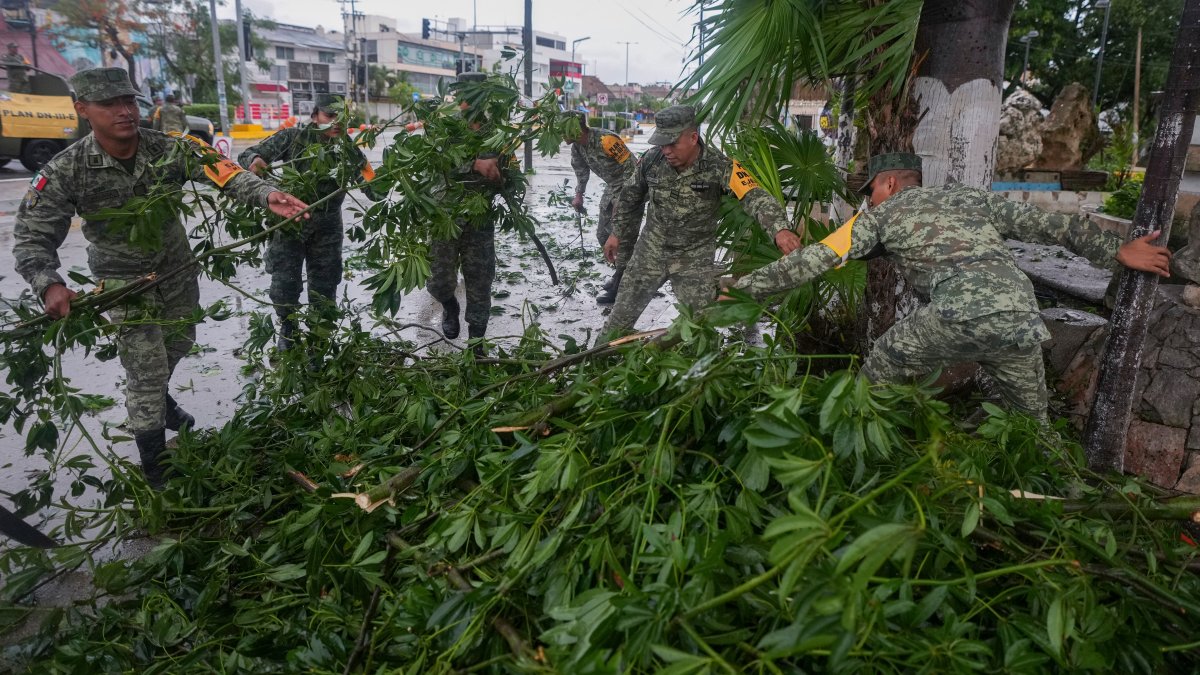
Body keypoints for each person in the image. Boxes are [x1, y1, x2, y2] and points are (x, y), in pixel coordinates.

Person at [11, 67, 310, 487]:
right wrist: (49, 283)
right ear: (82, 109)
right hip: (122, 286)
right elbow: (31, 236)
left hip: (176, 270)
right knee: (145, 369)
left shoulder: (167, 148)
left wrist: (266, 195)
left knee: (180, 339)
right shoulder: (66, 169)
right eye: (109, 104)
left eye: (128, 101)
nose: (124, 111)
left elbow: (221, 170)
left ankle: (162, 400)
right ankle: (155, 465)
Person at [724, 152, 1172, 423]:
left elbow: (819, 257)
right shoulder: (968, 197)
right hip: (1019, 314)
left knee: (883, 359)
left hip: (960, 311)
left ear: (891, 183)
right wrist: (1117, 250)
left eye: (870, 190)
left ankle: (856, 433)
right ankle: (1054, 494)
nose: (868, 200)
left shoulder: (880, 214)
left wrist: (748, 288)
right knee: (1031, 425)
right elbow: (1049, 225)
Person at [600, 104, 803, 335]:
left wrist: (779, 229)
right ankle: (596, 365)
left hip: (693, 259)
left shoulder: (721, 166)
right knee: (616, 325)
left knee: (700, 331)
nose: (666, 150)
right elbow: (629, 197)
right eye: (662, 143)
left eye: (672, 143)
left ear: (693, 137)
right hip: (651, 252)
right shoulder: (651, 160)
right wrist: (617, 233)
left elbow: (754, 196)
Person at [239, 93, 378, 350]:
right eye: (330, 115)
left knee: (325, 286)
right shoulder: (293, 137)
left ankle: (319, 338)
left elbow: (372, 186)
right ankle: (288, 328)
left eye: (341, 116)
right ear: (315, 116)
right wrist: (255, 162)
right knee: (284, 283)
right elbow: (249, 155)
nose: (336, 121)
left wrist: (392, 175)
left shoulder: (348, 148)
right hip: (290, 223)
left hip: (327, 227)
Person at [426, 72, 511, 346]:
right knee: (438, 279)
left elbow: (510, 173)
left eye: (474, 95)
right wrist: (474, 165)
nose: (467, 101)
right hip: (445, 214)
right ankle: (450, 306)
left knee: (480, 282)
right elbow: (435, 158)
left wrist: (501, 178)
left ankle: (476, 345)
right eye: (464, 95)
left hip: (480, 218)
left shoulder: (497, 132)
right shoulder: (445, 126)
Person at [565, 111, 641, 304]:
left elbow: (633, 168)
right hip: (613, 186)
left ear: (574, 128)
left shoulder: (606, 140)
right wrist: (579, 195)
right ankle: (622, 274)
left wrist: (622, 203)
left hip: (632, 186)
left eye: (562, 130)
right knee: (603, 235)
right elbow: (581, 171)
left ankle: (622, 287)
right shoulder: (577, 147)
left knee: (621, 238)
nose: (560, 135)